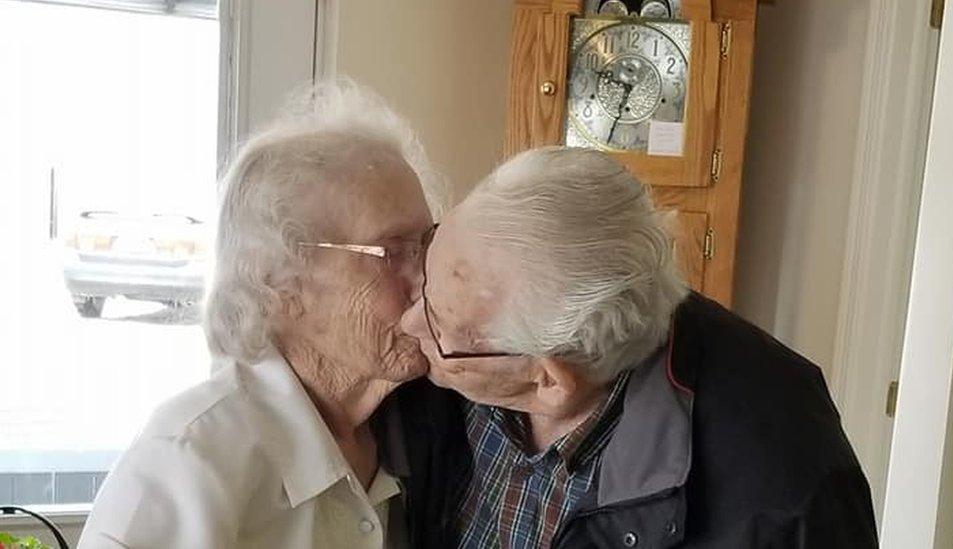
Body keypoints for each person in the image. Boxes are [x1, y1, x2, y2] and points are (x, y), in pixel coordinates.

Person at [398, 146, 878, 548]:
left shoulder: (786, 496)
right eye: (427, 276)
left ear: (549, 381)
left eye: (440, 325)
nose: (407, 321)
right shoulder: (458, 373)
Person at [78, 81, 442, 548]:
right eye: (394, 252)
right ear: (280, 282)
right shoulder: (190, 460)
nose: (428, 278)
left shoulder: (426, 428)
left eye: (428, 244)